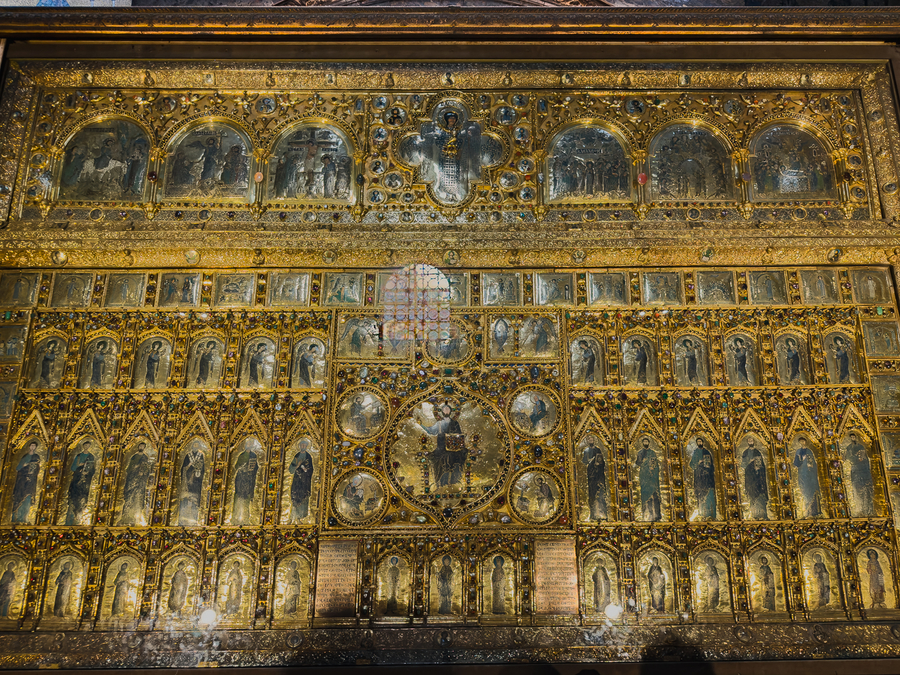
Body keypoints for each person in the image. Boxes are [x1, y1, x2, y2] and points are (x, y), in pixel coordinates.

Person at [417, 403, 467, 487]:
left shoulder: (455, 423)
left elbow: (459, 435)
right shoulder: (439, 423)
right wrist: (421, 424)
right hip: (441, 449)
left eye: (448, 409)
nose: (446, 411)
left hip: (453, 449)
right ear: (442, 412)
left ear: (451, 411)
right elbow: (430, 431)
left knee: (454, 460)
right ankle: (442, 484)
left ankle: (453, 483)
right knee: (441, 462)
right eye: (445, 409)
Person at [65, 441, 96, 525]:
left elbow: (93, 470)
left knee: (82, 498)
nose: (86, 446)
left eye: (88, 445)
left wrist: (87, 472)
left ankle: (79, 519)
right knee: (73, 497)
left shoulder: (91, 457)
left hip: (85, 481)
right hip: (76, 479)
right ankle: (70, 520)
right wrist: (79, 466)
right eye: (85, 445)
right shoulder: (78, 456)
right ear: (83, 446)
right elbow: (72, 468)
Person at [120, 443, 151, 525]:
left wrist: (143, 472)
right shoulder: (134, 457)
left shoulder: (145, 457)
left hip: (140, 481)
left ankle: (137, 517)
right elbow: (129, 468)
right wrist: (135, 468)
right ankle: (126, 516)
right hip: (131, 479)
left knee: (138, 496)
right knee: (129, 496)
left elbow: (147, 469)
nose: (141, 447)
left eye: (143, 446)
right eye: (140, 446)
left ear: (144, 448)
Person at [845, 432, 875, 516]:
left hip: (864, 470)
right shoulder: (849, 448)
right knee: (857, 489)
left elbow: (865, 457)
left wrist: (862, 457)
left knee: (866, 490)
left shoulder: (861, 446)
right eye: (851, 437)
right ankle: (859, 509)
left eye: (854, 437)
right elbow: (848, 457)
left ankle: (868, 510)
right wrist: (855, 457)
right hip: (855, 471)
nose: (853, 439)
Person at [11, 441, 40, 524]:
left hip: (30, 481)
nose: (32, 447)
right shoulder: (25, 456)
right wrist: (24, 466)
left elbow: (37, 468)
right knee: (19, 497)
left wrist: (31, 474)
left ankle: (25, 518)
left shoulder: (36, 456)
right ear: (29, 446)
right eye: (31, 445)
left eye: (34, 446)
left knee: (27, 498)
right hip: (21, 481)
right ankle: (17, 518)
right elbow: (18, 468)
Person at [231, 443, 260, 525]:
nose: (248, 447)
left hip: (249, 479)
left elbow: (256, 468)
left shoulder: (253, 455)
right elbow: (236, 466)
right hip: (241, 478)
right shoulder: (241, 455)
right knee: (239, 497)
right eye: (247, 445)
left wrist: (252, 469)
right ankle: (236, 518)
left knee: (247, 497)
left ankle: (246, 518)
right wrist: (242, 467)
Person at [793, 437, 822, 519]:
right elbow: (796, 463)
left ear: (806, 442)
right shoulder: (798, 451)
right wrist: (801, 459)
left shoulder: (809, 451)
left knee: (812, 489)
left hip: (810, 473)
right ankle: (805, 511)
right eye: (800, 441)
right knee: (804, 490)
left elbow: (813, 463)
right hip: (802, 472)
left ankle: (813, 511)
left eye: (803, 441)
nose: (802, 443)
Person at [635, 438, 662, 522]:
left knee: (654, 494)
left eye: (646, 441)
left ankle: (656, 515)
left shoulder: (652, 452)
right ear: (642, 443)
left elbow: (656, 464)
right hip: (644, 477)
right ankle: (647, 515)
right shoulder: (640, 453)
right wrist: (642, 462)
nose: (645, 443)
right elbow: (637, 463)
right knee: (646, 496)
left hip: (652, 477)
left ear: (649, 443)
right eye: (644, 442)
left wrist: (653, 468)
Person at [178, 444, 205, 525]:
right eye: (195, 445)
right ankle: (184, 517)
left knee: (195, 497)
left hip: (197, 480)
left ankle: (195, 516)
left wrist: (197, 472)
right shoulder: (188, 455)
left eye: (197, 445)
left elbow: (203, 468)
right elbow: (183, 467)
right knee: (187, 496)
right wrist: (188, 468)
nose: (196, 446)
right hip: (188, 478)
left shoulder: (201, 455)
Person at [742, 438, 769, 520]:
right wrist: (750, 462)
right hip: (750, 476)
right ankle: (754, 515)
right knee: (752, 494)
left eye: (751, 441)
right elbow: (743, 465)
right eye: (749, 441)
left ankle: (763, 515)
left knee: (761, 495)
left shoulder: (757, 452)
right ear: (747, 442)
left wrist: (759, 468)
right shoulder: (745, 452)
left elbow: (762, 465)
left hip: (759, 477)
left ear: (754, 442)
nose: (750, 442)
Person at [690, 438, 716, 519]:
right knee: (701, 495)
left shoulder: (707, 452)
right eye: (698, 442)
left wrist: (708, 466)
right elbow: (691, 464)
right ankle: (701, 514)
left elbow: (712, 465)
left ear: (703, 442)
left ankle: (710, 515)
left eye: (700, 441)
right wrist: (698, 463)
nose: (699, 443)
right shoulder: (695, 453)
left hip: (708, 477)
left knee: (709, 495)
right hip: (699, 477)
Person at [288, 440, 313, 522]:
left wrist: (306, 470)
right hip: (297, 480)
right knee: (295, 497)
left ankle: (299, 518)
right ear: (299, 446)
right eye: (301, 445)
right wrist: (297, 466)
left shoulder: (308, 457)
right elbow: (291, 470)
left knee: (303, 498)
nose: (303, 446)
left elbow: (311, 469)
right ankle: (292, 517)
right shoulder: (297, 456)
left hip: (305, 481)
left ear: (306, 446)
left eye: (304, 445)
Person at [583, 439, 608, 520]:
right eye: (589, 440)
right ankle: (594, 514)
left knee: (601, 492)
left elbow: (602, 461)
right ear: (588, 441)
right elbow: (584, 461)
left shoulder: (598, 450)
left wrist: (599, 464)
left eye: (592, 440)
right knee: (593, 493)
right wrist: (590, 462)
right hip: (591, 475)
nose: (591, 441)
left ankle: (602, 513)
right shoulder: (586, 451)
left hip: (599, 474)